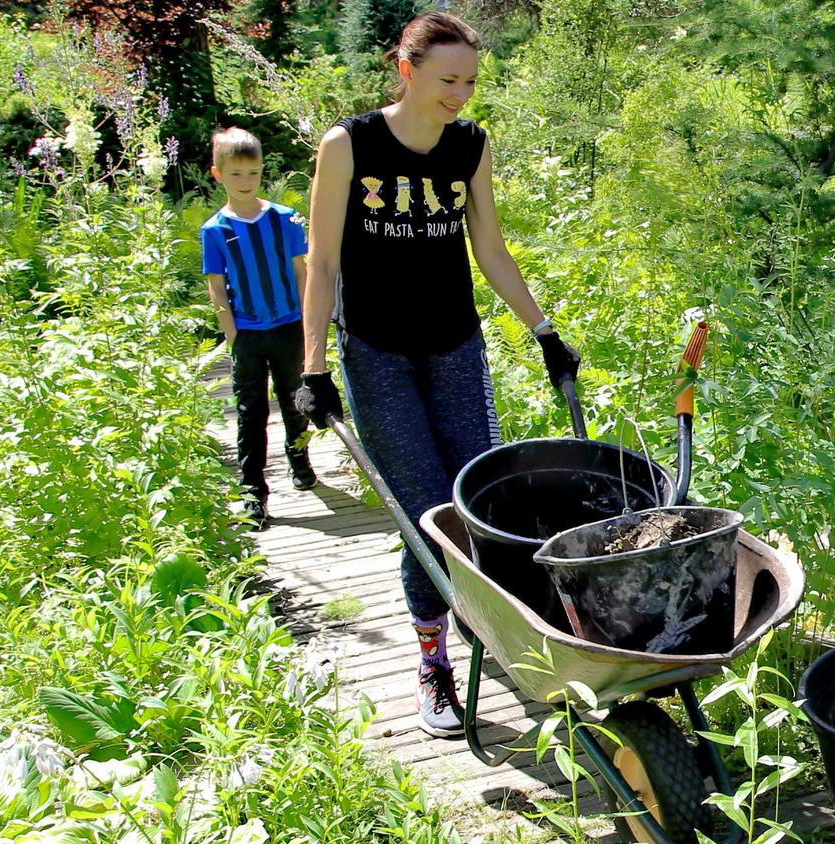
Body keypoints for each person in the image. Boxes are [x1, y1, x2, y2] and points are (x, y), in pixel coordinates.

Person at [292, 11, 579, 738]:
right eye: (449, 80)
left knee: (479, 501)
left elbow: (491, 248)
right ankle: (433, 662)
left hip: (456, 345)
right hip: (377, 352)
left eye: (472, 82)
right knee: (425, 514)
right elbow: (322, 262)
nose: (461, 95)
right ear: (406, 68)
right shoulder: (349, 143)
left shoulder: (470, 146)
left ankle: (499, 634)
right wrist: (313, 367)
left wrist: (544, 330)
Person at [203, 127, 317, 527]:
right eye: (236, 175)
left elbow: (301, 271)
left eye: (252, 173)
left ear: (261, 171)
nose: (245, 182)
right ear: (218, 175)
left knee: (294, 399)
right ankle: (253, 492)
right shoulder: (214, 230)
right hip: (247, 334)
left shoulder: (284, 219)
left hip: (289, 326)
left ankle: (298, 456)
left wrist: (308, 321)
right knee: (251, 412)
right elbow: (216, 285)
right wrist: (232, 334)